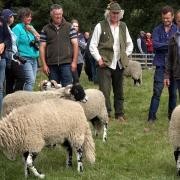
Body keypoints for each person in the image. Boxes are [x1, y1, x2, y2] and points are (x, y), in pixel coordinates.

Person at [89, 2, 133, 121]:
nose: (115, 15)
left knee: (119, 90)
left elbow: (130, 44)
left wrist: (125, 55)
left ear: (120, 14)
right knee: (104, 91)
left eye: (117, 13)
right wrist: (99, 59)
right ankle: (106, 114)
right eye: (113, 13)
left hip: (119, 63)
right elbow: (92, 45)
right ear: (109, 13)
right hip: (105, 64)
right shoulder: (100, 26)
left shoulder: (123, 26)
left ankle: (119, 113)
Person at [147, 6, 177, 123]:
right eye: (164, 18)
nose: (166, 20)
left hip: (174, 66)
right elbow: (155, 45)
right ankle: (151, 117)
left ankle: (172, 118)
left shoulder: (177, 30)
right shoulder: (156, 30)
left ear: (173, 17)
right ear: (162, 17)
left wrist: (164, 44)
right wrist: (170, 45)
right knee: (157, 92)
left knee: (173, 94)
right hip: (160, 65)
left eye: (168, 18)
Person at [40, 4, 78, 87]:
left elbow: (75, 44)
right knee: (52, 90)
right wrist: (44, 64)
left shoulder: (69, 27)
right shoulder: (45, 29)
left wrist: (74, 62)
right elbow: (42, 47)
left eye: (60, 14)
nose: (58, 16)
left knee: (68, 89)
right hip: (51, 65)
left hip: (66, 63)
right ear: (51, 14)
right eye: (56, 14)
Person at [12, 7, 40, 91]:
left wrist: (33, 31)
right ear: (22, 17)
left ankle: (25, 97)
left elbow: (39, 40)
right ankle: (26, 100)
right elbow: (14, 44)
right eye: (28, 16)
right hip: (24, 58)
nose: (30, 18)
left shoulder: (30, 27)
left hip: (34, 58)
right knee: (30, 80)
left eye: (30, 16)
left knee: (32, 80)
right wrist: (17, 58)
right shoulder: (17, 28)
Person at [1, 9, 26, 94]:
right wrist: (14, 59)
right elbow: (8, 46)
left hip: (11, 58)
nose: (13, 18)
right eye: (12, 16)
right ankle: (14, 98)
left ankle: (9, 101)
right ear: (8, 18)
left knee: (10, 81)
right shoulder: (4, 29)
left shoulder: (8, 28)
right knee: (22, 77)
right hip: (9, 58)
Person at [164, 10, 180, 98]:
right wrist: (166, 75)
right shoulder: (173, 39)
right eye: (179, 21)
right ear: (176, 22)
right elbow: (169, 59)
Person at [0, 14, 11, 115]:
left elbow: (8, 38)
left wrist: (4, 44)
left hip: (1, 59)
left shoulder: (2, 20)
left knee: (0, 87)